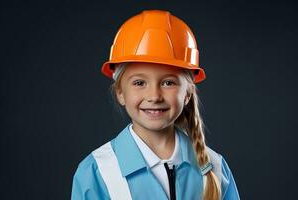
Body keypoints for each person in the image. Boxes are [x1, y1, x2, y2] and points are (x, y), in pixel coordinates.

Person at [71, 10, 240, 200]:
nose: (154, 96)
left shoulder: (215, 167)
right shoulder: (97, 171)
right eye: (139, 83)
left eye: (168, 83)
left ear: (187, 94)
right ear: (120, 93)